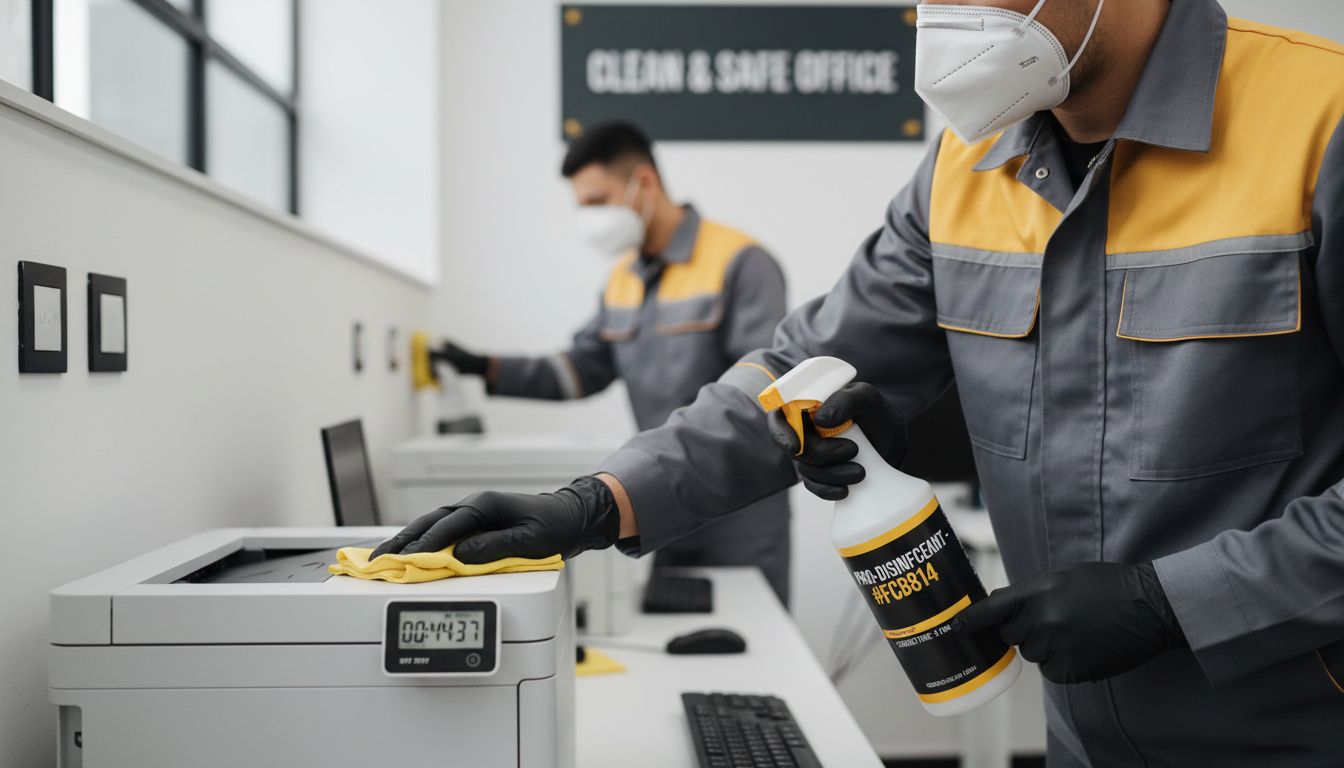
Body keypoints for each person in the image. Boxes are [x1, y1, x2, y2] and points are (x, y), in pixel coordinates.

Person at [375, 0, 1344, 762]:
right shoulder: (967, 167)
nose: (940, 19)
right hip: (1087, 730)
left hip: (1299, 725)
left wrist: (1177, 598)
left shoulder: (1321, 119)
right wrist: (597, 505)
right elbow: (797, 369)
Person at [430, 121, 794, 604]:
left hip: (739, 516)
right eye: (581, 206)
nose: (589, 217)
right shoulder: (622, 279)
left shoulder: (741, 262)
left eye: (596, 201)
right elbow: (581, 370)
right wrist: (485, 367)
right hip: (660, 504)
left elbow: (764, 397)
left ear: (643, 183)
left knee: (757, 656)